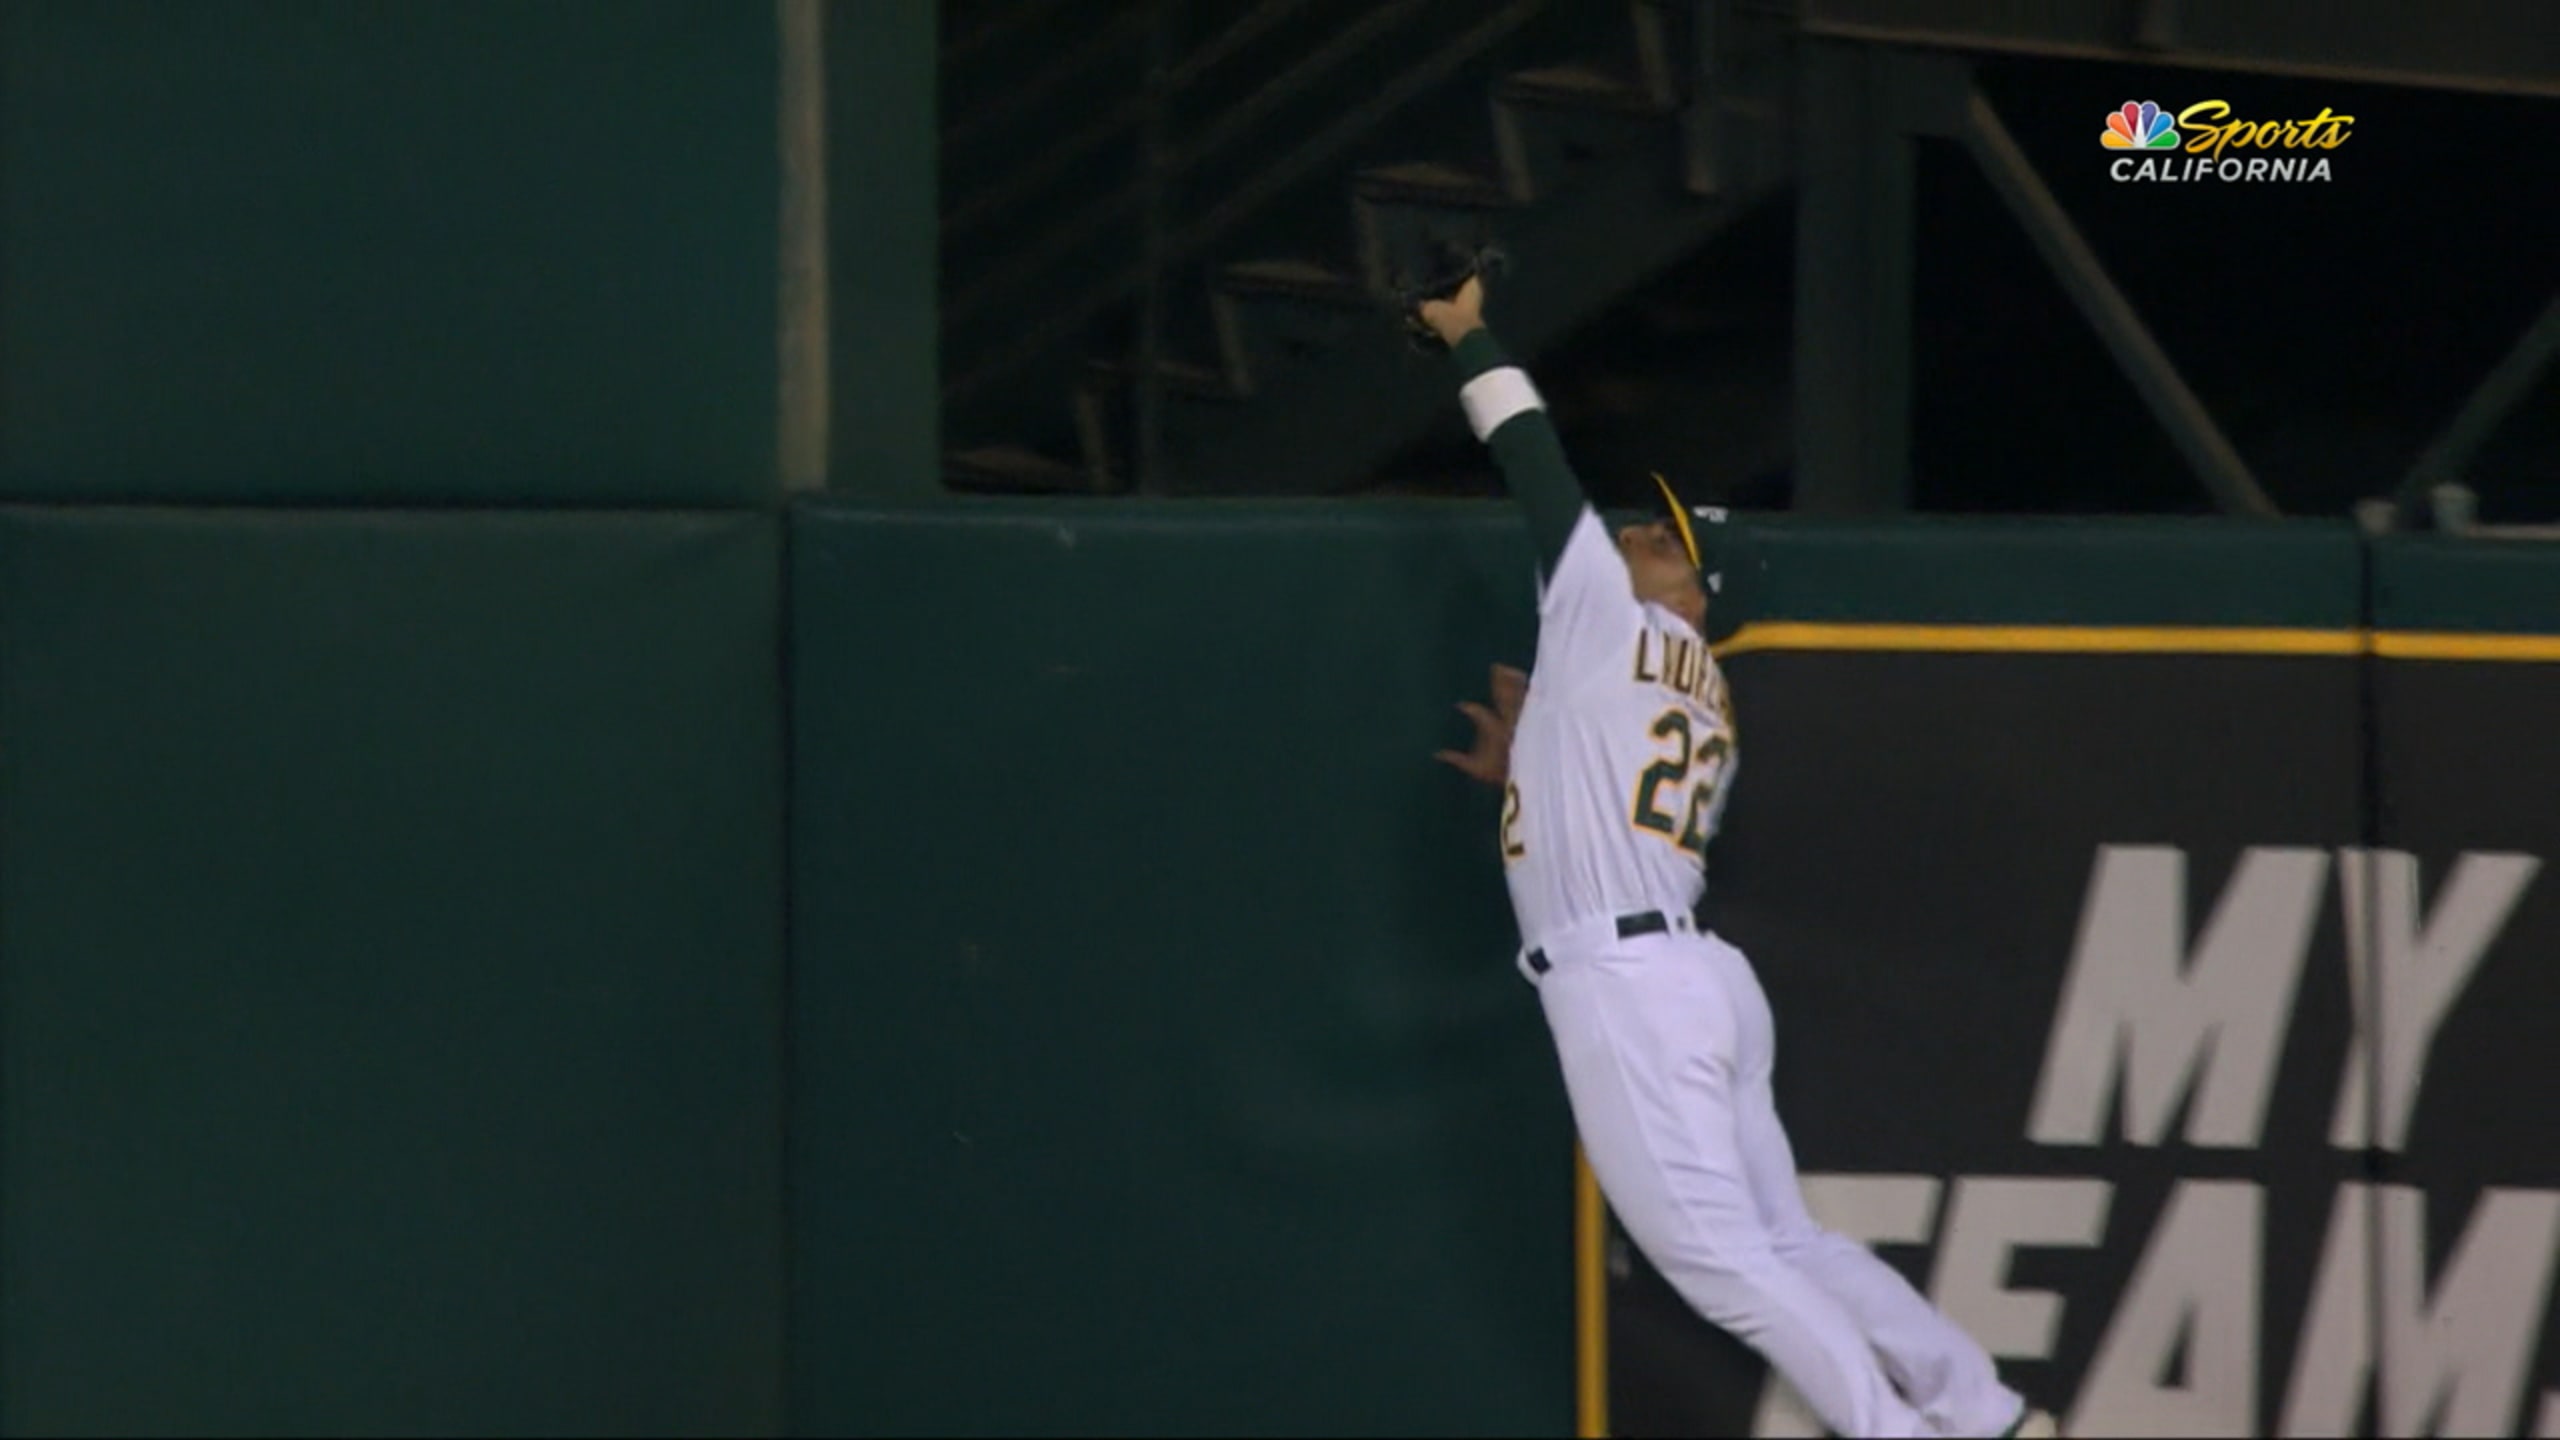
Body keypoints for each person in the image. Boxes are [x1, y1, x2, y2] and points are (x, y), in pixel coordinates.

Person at [1417, 274, 2057, 1440]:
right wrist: (1535, 766)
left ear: (1697, 596)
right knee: (1783, 1244)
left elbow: (1532, 463)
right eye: (1648, 526)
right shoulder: (1695, 685)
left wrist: (1468, 334)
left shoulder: (1608, 622)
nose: (1635, 536)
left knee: (1724, 1267)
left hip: (1631, 990)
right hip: (1696, 980)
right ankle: (1984, 1410)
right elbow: (1610, 787)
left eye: (1663, 541)